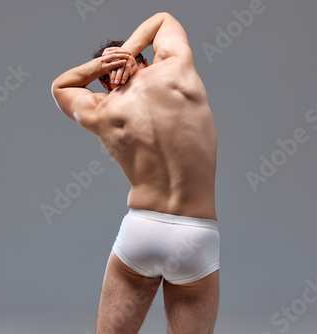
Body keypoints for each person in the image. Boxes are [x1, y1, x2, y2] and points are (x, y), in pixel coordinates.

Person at [51, 12, 219, 334]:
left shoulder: (102, 110)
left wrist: (105, 67)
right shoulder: (176, 69)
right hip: (197, 235)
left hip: (142, 232)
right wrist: (127, 52)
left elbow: (60, 86)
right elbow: (163, 18)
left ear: (103, 80)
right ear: (142, 57)